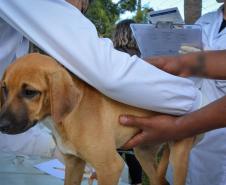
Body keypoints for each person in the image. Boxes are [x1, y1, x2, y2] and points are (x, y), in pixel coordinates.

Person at [120, 0, 226, 182]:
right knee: (181, 171)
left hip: (218, 131)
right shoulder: (206, 20)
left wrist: (201, 58)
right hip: (190, 105)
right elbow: (185, 64)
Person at [112, 19, 142, 185]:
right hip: (136, 116)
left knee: (110, 157)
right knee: (136, 156)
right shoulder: (144, 58)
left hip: (112, 117)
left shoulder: (111, 55)